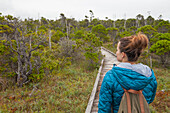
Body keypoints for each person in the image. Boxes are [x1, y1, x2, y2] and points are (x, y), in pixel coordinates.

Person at [98, 32, 157, 113]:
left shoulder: (110, 76)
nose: (116, 52)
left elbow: (104, 108)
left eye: (117, 50)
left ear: (123, 54)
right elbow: (149, 100)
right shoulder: (149, 75)